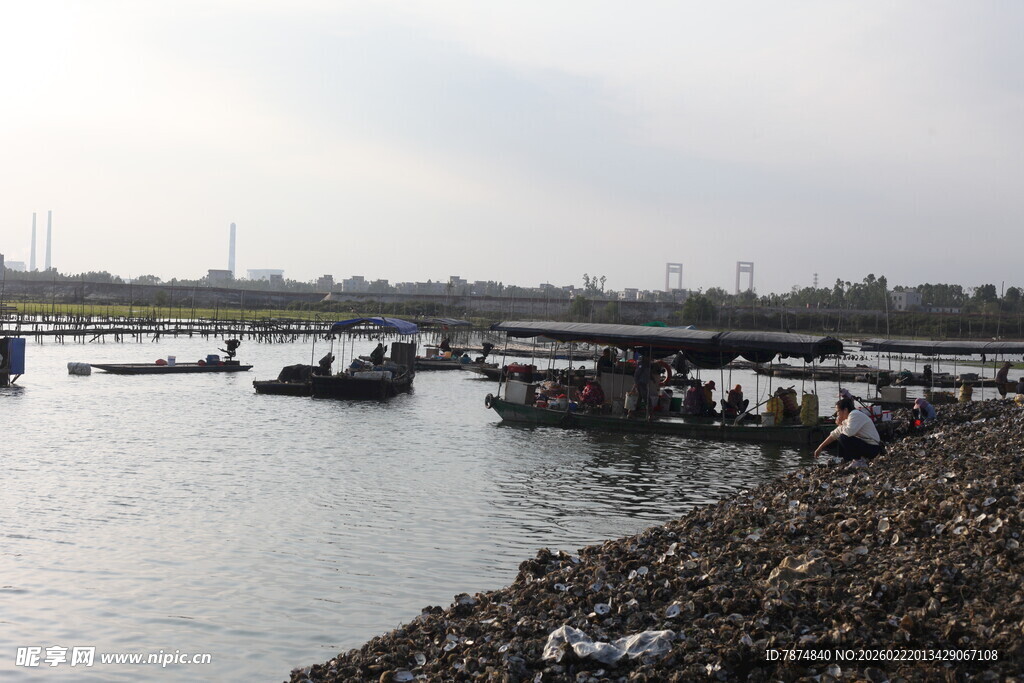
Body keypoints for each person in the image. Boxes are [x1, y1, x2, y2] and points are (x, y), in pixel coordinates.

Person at [814, 397, 882, 462]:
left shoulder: (854, 414)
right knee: (838, 437)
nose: (837, 414)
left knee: (843, 437)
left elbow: (848, 433)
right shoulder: (848, 419)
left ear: (845, 410)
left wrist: (841, 424)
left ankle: (858, 460)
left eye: (838, 411)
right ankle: (844, 459)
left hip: (873, 448)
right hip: (867, 445)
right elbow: (834, 434)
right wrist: (820, 447)